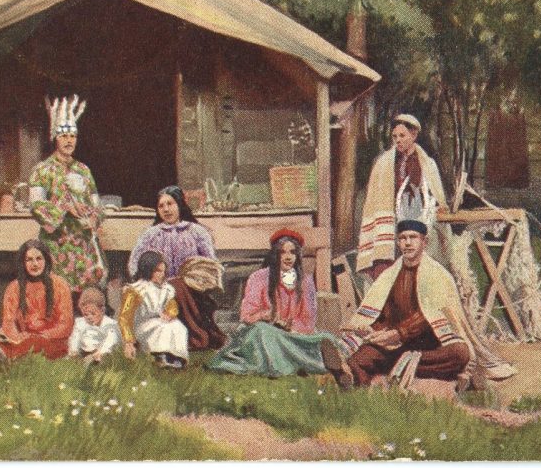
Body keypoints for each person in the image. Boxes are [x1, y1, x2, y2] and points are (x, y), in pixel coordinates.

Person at [340, 219, 516, 389]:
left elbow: (431, 317)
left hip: (430, 344)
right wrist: (372, 330)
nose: (407, 243)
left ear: (424, 242)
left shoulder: (437, 274)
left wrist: (400, 333)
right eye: (402, 238)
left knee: (460, 353)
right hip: (396, 346)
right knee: (359, 360)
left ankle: (403, 364)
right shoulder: (389, 275)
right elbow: (384, 314)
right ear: (398, 243)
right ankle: (366, 377)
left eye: (413, 237)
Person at [207, 229, 349, 378]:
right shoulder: (259, 277)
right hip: (261, 330)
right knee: (264, 333)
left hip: (293, 334)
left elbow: (308, 320)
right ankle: (315, 363)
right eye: (283, 253)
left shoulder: (305, 281)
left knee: (324, 337)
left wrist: (290, 326)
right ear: (275, 255)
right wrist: (266, 315)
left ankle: (327, 361)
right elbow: (246, 315)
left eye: (292, 252)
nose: (288, 257)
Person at [127, 186, 226, 350]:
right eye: (161, 206)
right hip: (158, 288)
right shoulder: (151, 234)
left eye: (170, 204)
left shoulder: (197, 232)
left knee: (178, 287)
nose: (166, 209)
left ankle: (193, 336)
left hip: (193, 290)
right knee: (172, 288)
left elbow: (210, 262)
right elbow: (134, 262)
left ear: (179, 204)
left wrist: (198, 277)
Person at [0, 240, 74, 368]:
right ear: (23, 263)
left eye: (39, 258)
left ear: (46, 260)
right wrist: (19, 337)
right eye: (29, 260)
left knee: (28, 345)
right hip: (23, 342)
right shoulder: (14, 287)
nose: (35, 264)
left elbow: (65, 325)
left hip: (53, 343)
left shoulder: (60, 285)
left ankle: (3, 357)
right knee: (10, 347)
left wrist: (40, 336)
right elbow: (8, 323)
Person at [355, 114, 450, 279]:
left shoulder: (426, 163)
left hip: (420, 220)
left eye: (402, 135)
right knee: (391, 273)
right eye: (394, 136)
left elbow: (435, 193)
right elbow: (375, 199)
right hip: (393, 223)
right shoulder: (384, 164)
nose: (397, 140)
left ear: (413, 135)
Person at [29, 95, 106, 295]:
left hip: (83, 245)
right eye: (64, 136)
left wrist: (93, 217)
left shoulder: (83, 170)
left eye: (72, 136)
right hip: (56, 244)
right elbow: (36, 206)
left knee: (85, 297)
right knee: (57, 294)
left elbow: (97, 204)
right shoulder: (42, 170)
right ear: (55, 138)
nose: (69, 141)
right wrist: (65, 209)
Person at [119, 250, 188, 369]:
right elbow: (124, 317)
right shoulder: (136, 290)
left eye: (163, 271)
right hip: (142, 327)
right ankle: (160, 356)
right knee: (162, 328)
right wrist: (129, 342)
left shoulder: (166, 289)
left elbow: (172, 305)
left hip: (160, 321)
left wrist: (170, 313)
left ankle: (176, 358)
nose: (161, 274)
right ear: (147, 270)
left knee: (178, 326)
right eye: (157, 271)